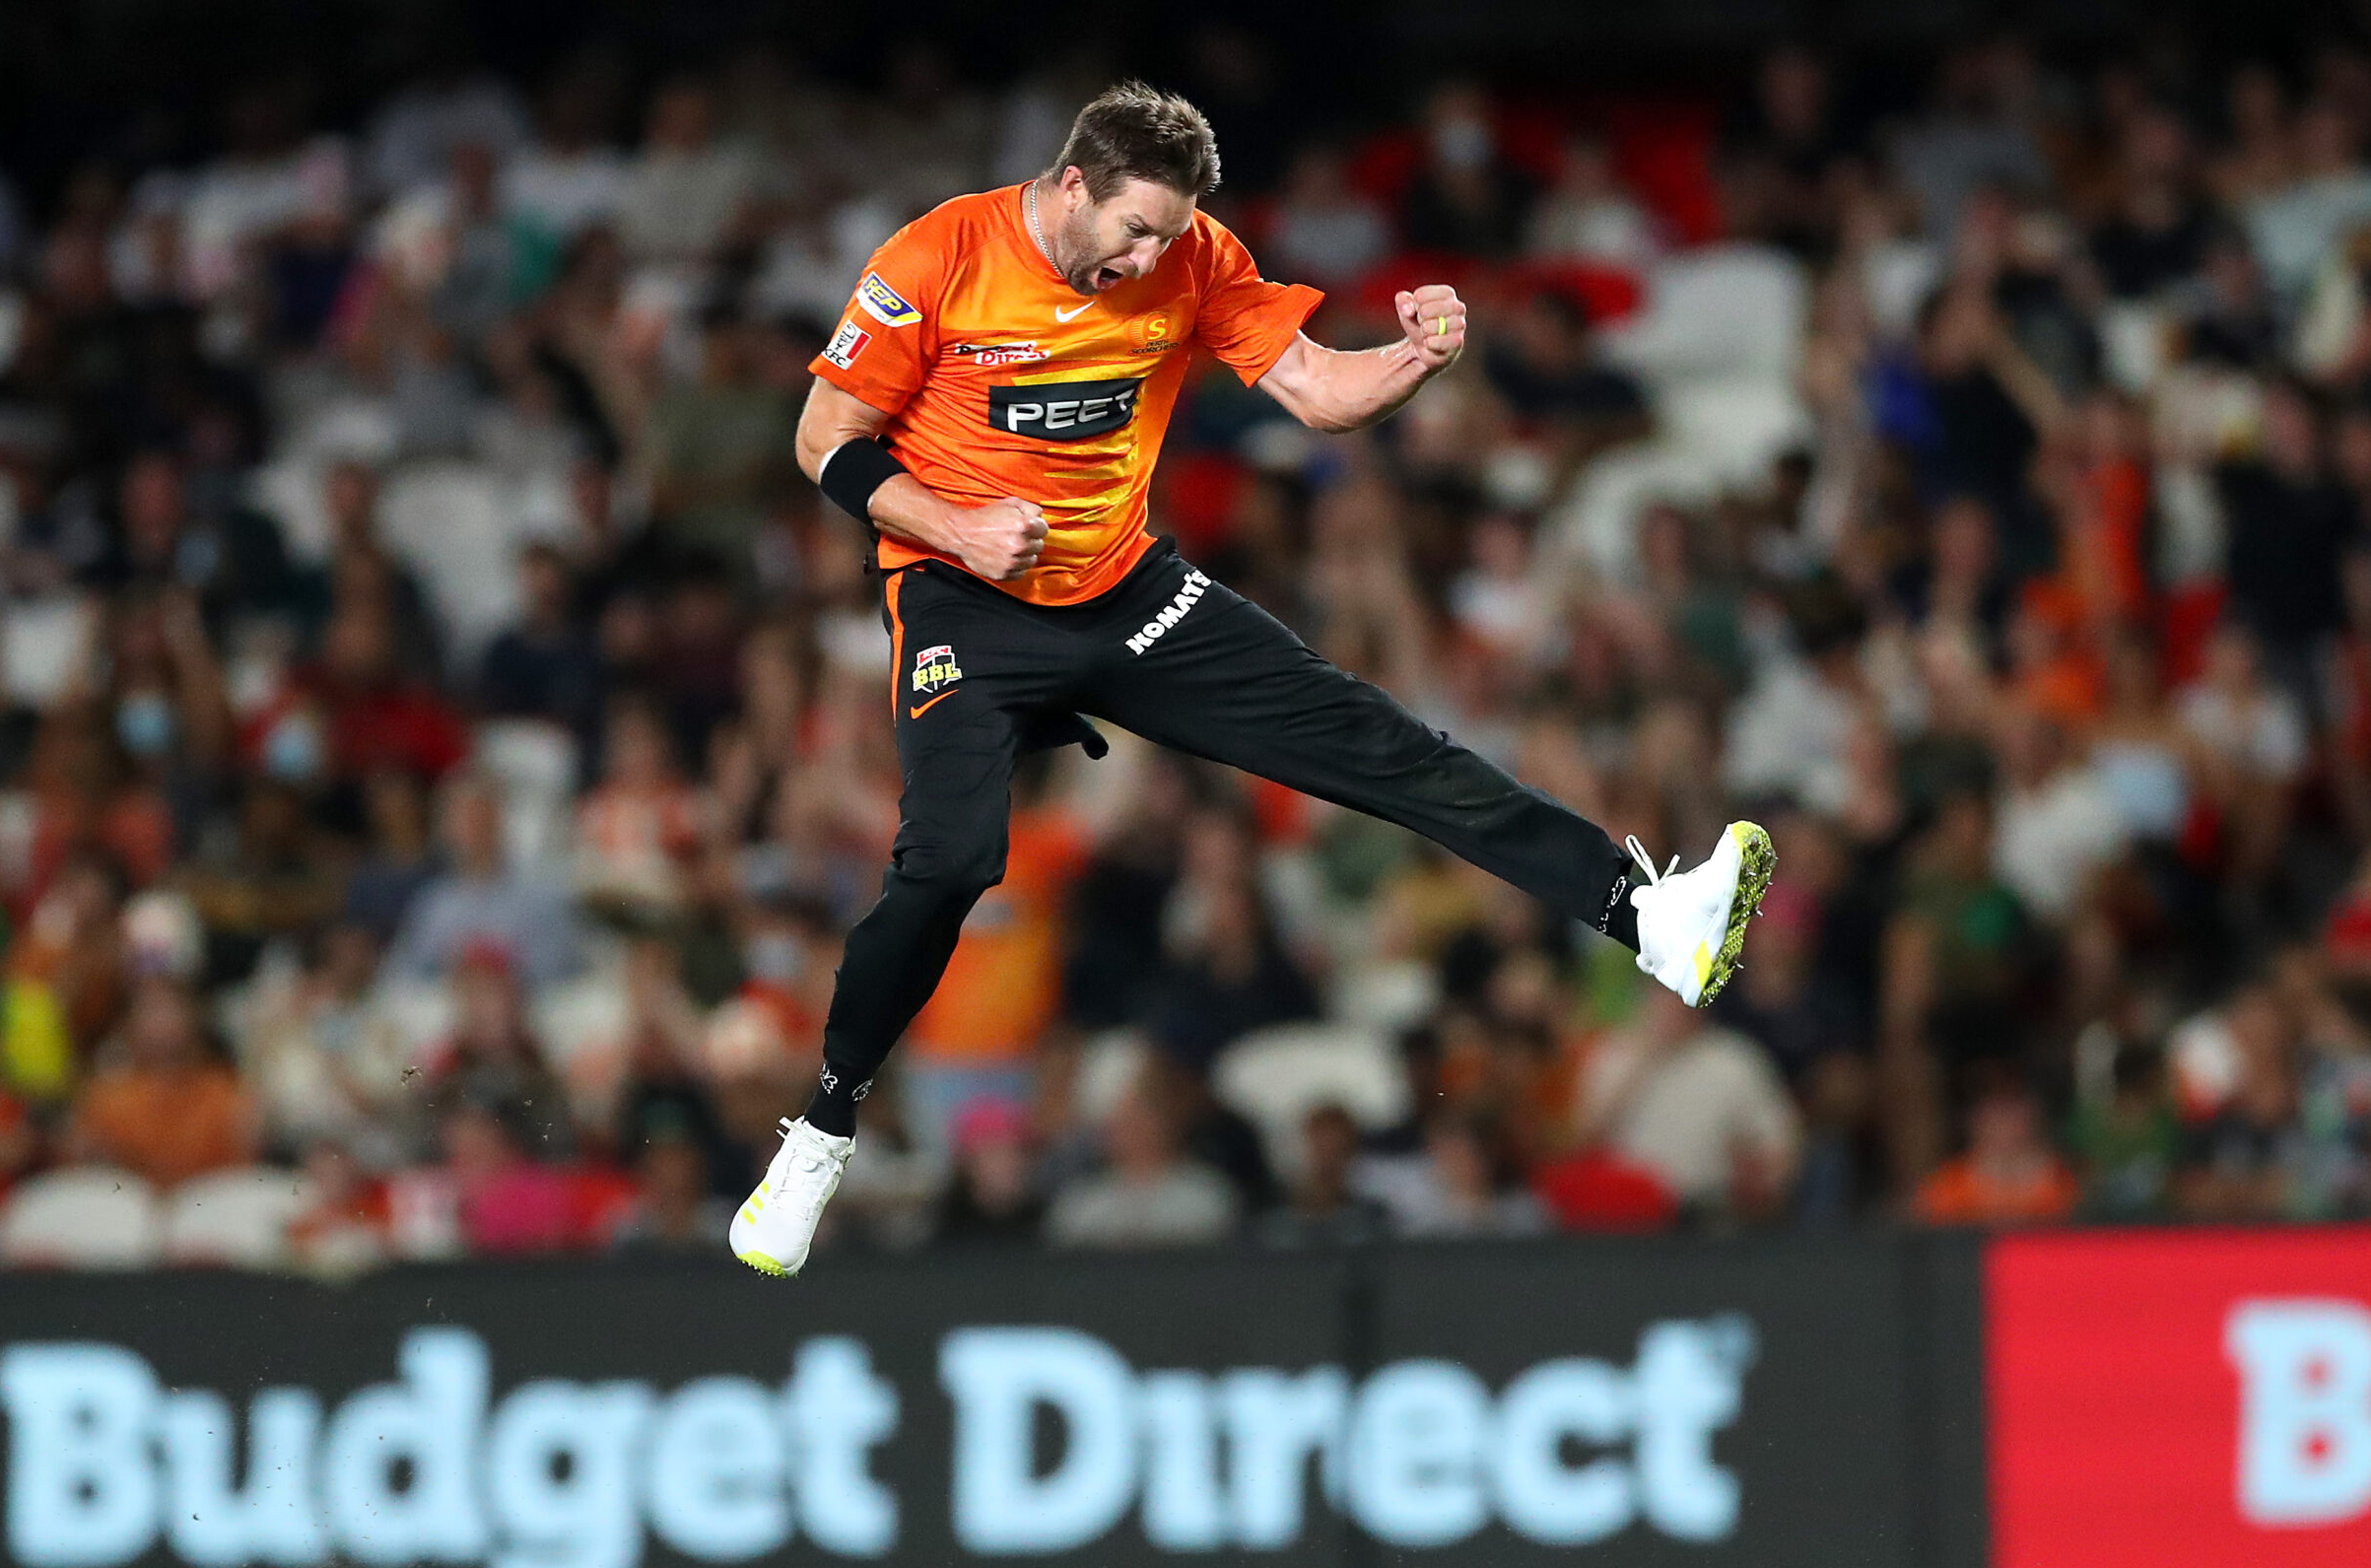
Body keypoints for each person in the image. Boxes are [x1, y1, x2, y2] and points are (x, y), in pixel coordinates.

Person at [728, 83, 1776, 1276]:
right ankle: (820, 1134)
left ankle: (1650, 920)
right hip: (964, 596)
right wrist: (956, 528)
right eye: (1134, 229)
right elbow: (823, 439)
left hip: (1123, 590)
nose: (1150, 258)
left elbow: (1319, 392)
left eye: (1169, 235)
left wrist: (1414, 359)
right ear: (1070, 186)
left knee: (1383, 747)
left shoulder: (1194, 256)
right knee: (953, 861)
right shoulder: (937, 256)